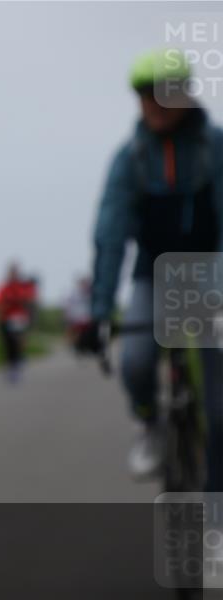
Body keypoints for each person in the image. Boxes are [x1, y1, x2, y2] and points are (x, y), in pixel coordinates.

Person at [76, 49, 222, 487]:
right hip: (153, 275)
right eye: (144, 95)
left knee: (220, 411)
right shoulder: (131, 158)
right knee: (136, 361)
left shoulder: (214, 149)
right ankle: (149, 423)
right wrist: (99, 313)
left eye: (163, 94)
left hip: (211, 274)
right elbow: (110, 233)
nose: (154, 104)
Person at [0, 263, 37, 383]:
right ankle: (11, 366)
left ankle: (18, 361)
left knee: (17, 341)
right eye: (11, 273)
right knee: (7, 344)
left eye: (15, 273)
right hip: (5, 319)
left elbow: (29, 300)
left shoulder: (23, 287)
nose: (13, 275)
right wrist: (5, 305)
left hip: (19, 319)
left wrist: (19, 302)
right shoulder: (3, 287)